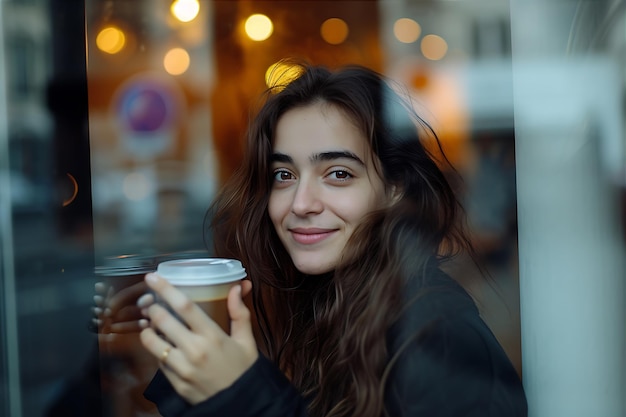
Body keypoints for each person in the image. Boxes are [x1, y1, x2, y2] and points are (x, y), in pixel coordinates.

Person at [136, 63, 528, 417]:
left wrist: (247, 397)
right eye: (284, 175)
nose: (301, 203)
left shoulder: (437, 336)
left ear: (394, 189)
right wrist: (190, 358)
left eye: (338, 174)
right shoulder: (331, 306)